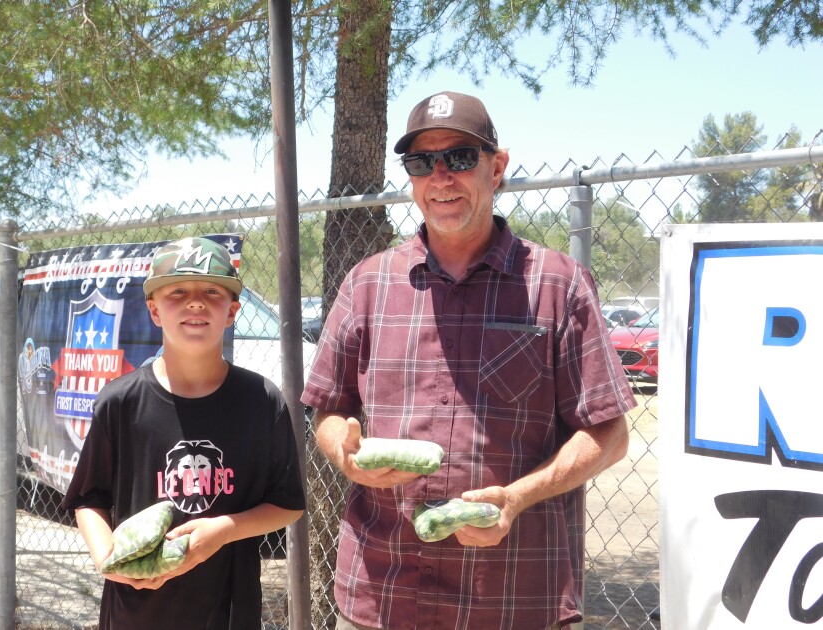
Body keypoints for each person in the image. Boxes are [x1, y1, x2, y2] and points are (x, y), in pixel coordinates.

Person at [301, 91, 637, 630]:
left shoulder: (556, 285)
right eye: (421, 162)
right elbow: (328, 411)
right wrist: (345, 451)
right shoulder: (368, 284)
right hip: (382, 596)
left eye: (459, 157)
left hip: (512, 599)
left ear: (496, 167)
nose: (441, 177)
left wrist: (517, 497)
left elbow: (609, 435)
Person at [63, 236, 306, 629]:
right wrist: (107, 558)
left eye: (212, 291)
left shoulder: (261, 401)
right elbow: (88, 499)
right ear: (154, 310)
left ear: (232, 312)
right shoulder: (120, 402)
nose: (196, 302)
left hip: (228, 612)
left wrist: (225, 530)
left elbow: (288, 503)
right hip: (135, 611)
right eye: (178, 291)